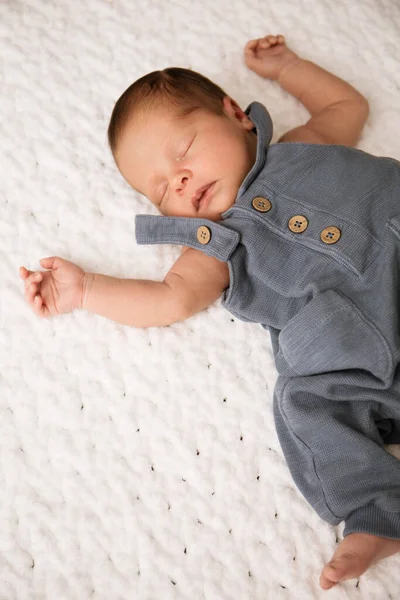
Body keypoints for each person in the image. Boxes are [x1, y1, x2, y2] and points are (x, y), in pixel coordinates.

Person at [20, 34, 400, 589]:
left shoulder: (304, 143)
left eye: (183, 152)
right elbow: (169, 301)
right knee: (303, 404)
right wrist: (86, 290)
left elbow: (348, 106)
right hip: (352, 344)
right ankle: (376, 512)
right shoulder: (212, 246)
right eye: (160, 190)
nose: (177, 180)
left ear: (235, 115)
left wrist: (289, 67)